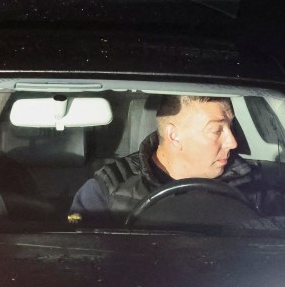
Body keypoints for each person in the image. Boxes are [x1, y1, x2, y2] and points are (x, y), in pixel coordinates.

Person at [70, 94, 260, 219]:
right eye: (217, 130)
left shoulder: (252, 184)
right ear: (174, 136)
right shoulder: (106, 192)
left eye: (230, 127)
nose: (233, 142)